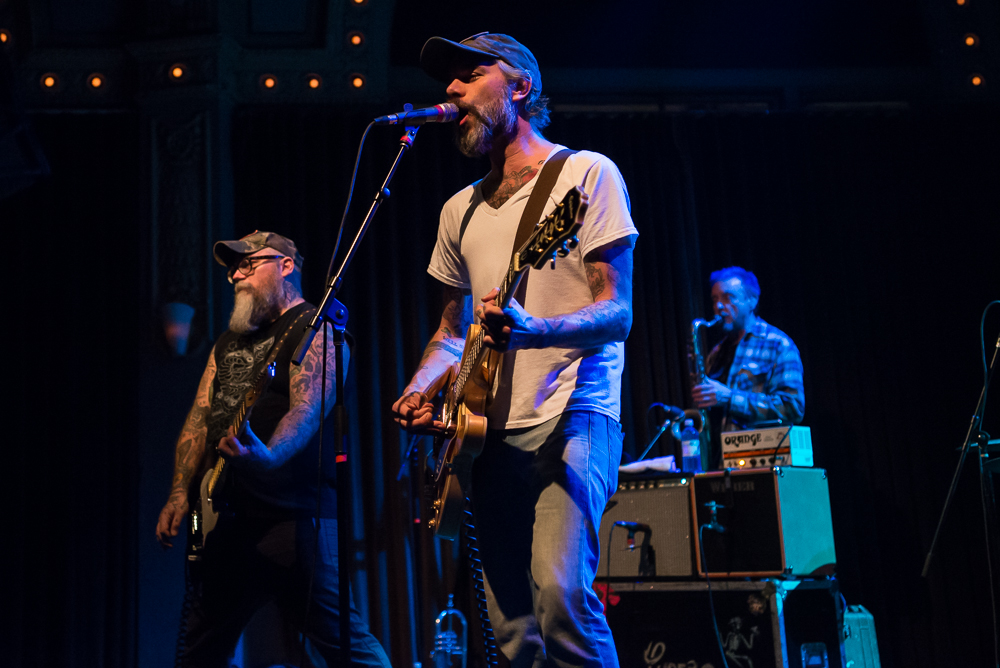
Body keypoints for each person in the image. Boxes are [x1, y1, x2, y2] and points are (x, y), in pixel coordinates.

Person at [392, 33, 637, 668]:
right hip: (484, 433)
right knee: (512, 632)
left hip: (573, 412)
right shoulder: (458, 211)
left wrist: (536, 332)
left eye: (470, 75)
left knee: (560, 599)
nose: (450, 89)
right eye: (447, 79)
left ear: (520, 87)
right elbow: (451, 334)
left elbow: (618, 312)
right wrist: (422, 387)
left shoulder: (587, 174)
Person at [155, 231, 391, 668]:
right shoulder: (227, 343)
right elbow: (197, 420)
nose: (236, 275)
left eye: (248, 264)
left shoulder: (313, 328)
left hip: (292, 520)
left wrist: (269, 456)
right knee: (197, 655)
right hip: (224, 524)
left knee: (349, 649)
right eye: (232, 269)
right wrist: (178, 493)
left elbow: (307, 409)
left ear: (286, 265)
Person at [692, 267, 805, 460]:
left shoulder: (778, 345)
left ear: (752, 301)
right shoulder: (716, 354)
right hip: (718, 464)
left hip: (761, 460)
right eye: (715, 299)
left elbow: (792, 408)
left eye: (728, 298)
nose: (719, 306)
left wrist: (728, 398)